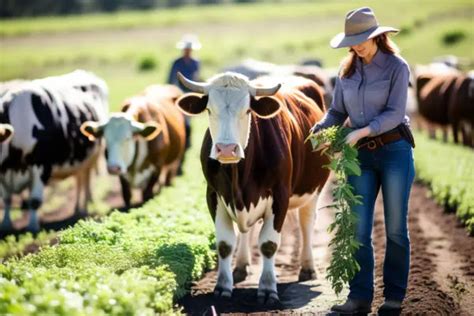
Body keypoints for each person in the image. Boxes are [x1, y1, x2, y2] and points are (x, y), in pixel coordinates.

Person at [310, 7, 415, 315]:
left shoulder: (397, 66)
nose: (356, 46)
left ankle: (394, 297)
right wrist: (319, 129)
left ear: (377, 37)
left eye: (361, 40)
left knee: (396, 229)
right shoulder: (346, 72)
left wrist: (362, 132)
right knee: (357, 230)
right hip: (360, 159)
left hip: (395, 151)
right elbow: (336, 112)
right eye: (351, 41)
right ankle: (359, 298)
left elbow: (396, 113)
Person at [168, 34, 201, 173]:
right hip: (178, 96)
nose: (188, 51)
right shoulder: (176, 63)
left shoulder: (196, 63)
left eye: (189, 49)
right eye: (186, 49)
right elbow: (170, 80)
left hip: (189, 97)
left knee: (187, 126)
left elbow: (196, 79)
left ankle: (182, 158)